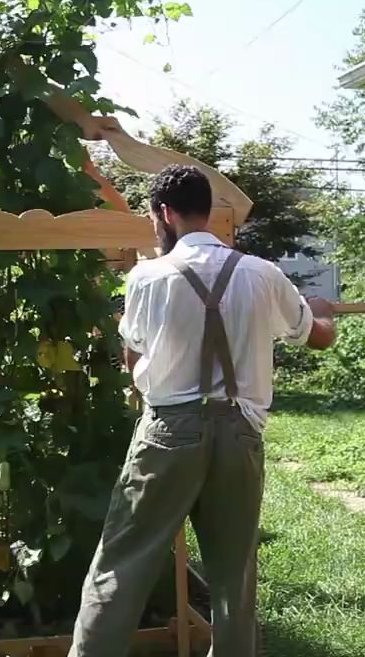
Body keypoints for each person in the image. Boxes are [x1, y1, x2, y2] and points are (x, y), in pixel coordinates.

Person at [68, 164, 337, 657]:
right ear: (209, 212)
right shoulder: (261, 273)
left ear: (165, 213)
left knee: (121, 564)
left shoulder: (147, 278)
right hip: (240, 434)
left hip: (170, 432)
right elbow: (317, 337)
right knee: (234, 576)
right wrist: (323, 310)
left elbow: (133, 360)